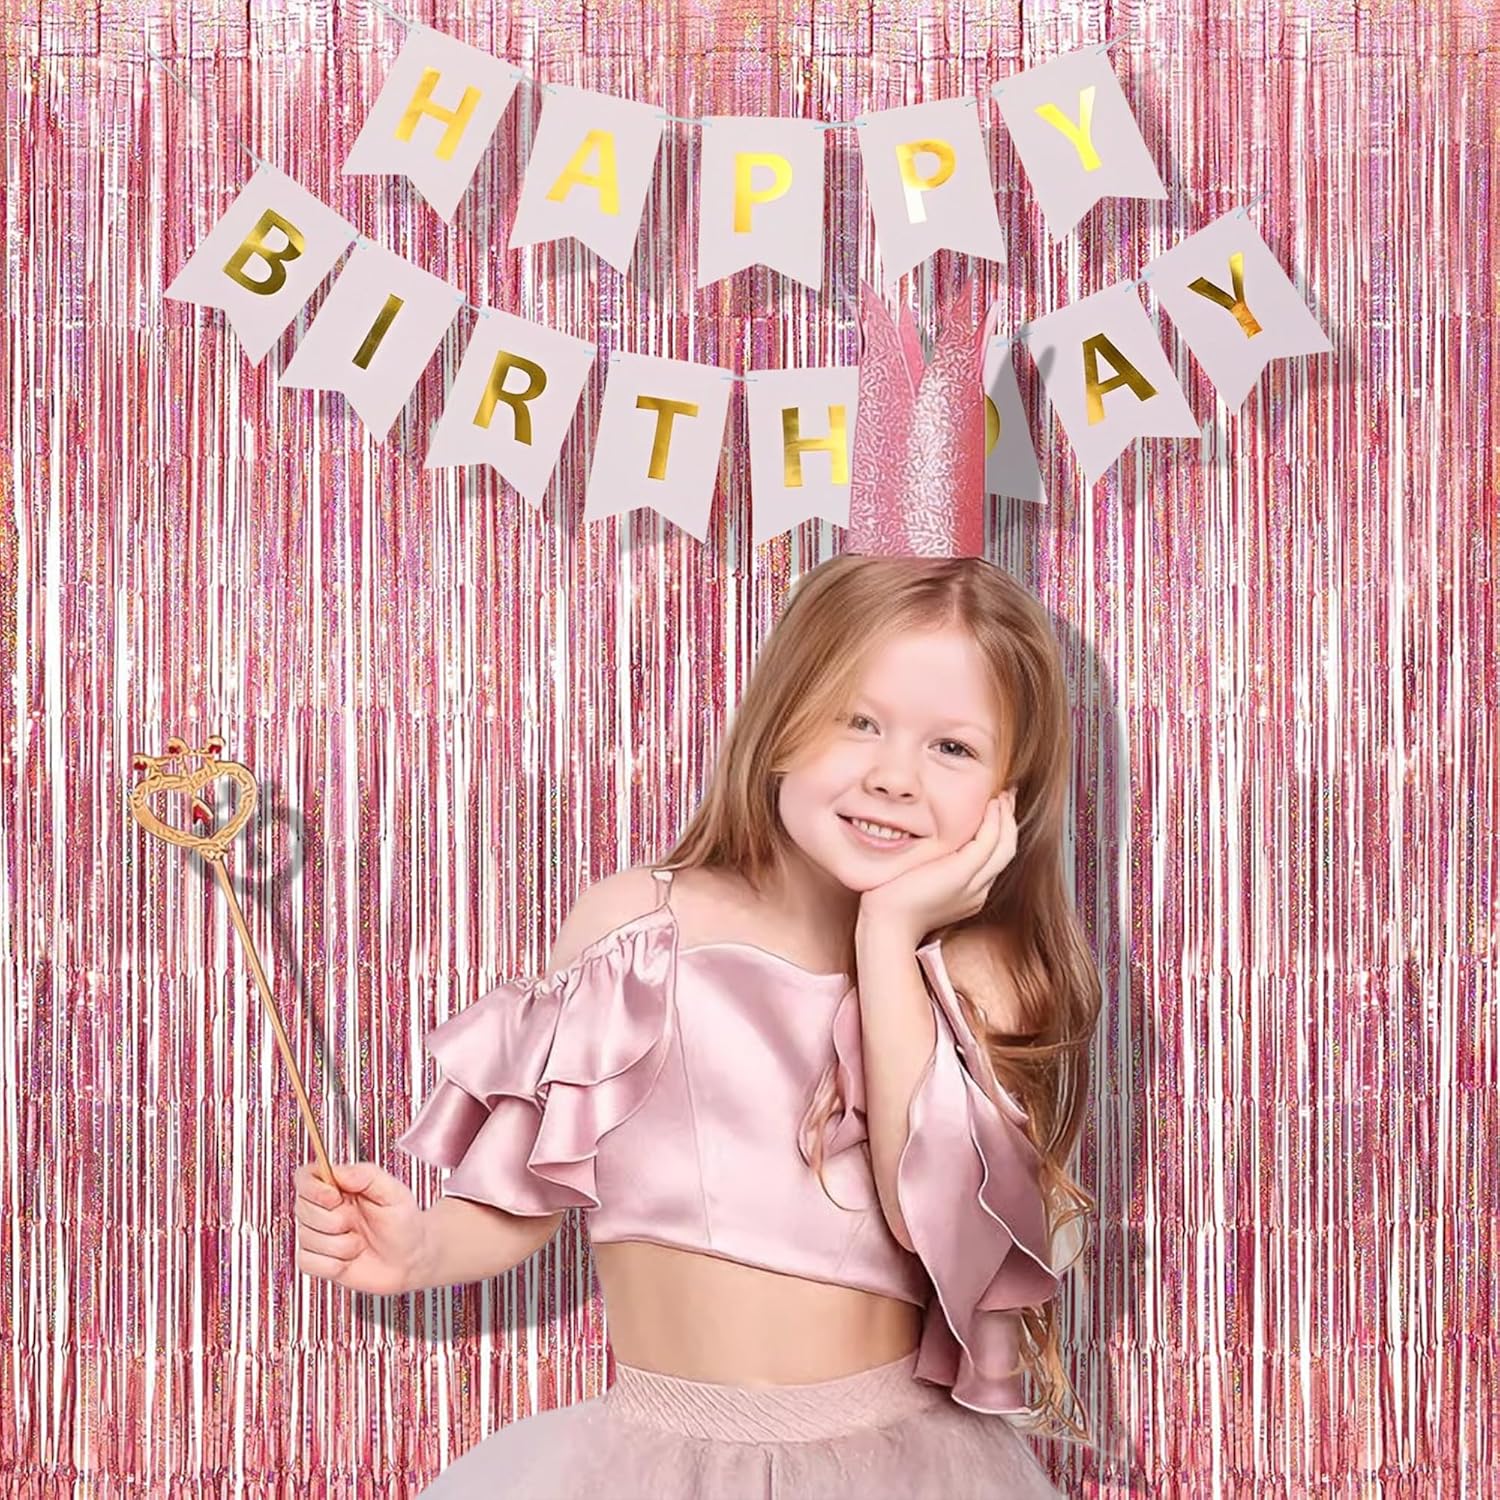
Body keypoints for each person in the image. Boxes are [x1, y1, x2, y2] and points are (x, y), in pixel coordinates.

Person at [294, 282, 1103, 1497]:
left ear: (1008, 791)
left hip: (886, 1464)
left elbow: (933, 1220)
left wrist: (890, 939)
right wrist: (418, 1249)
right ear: (780, 722)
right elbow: (530, 1187)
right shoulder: (639, 930)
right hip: (646, 1457)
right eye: (859, 722)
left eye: (951, 747)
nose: (893, 776)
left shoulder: (974, 979)